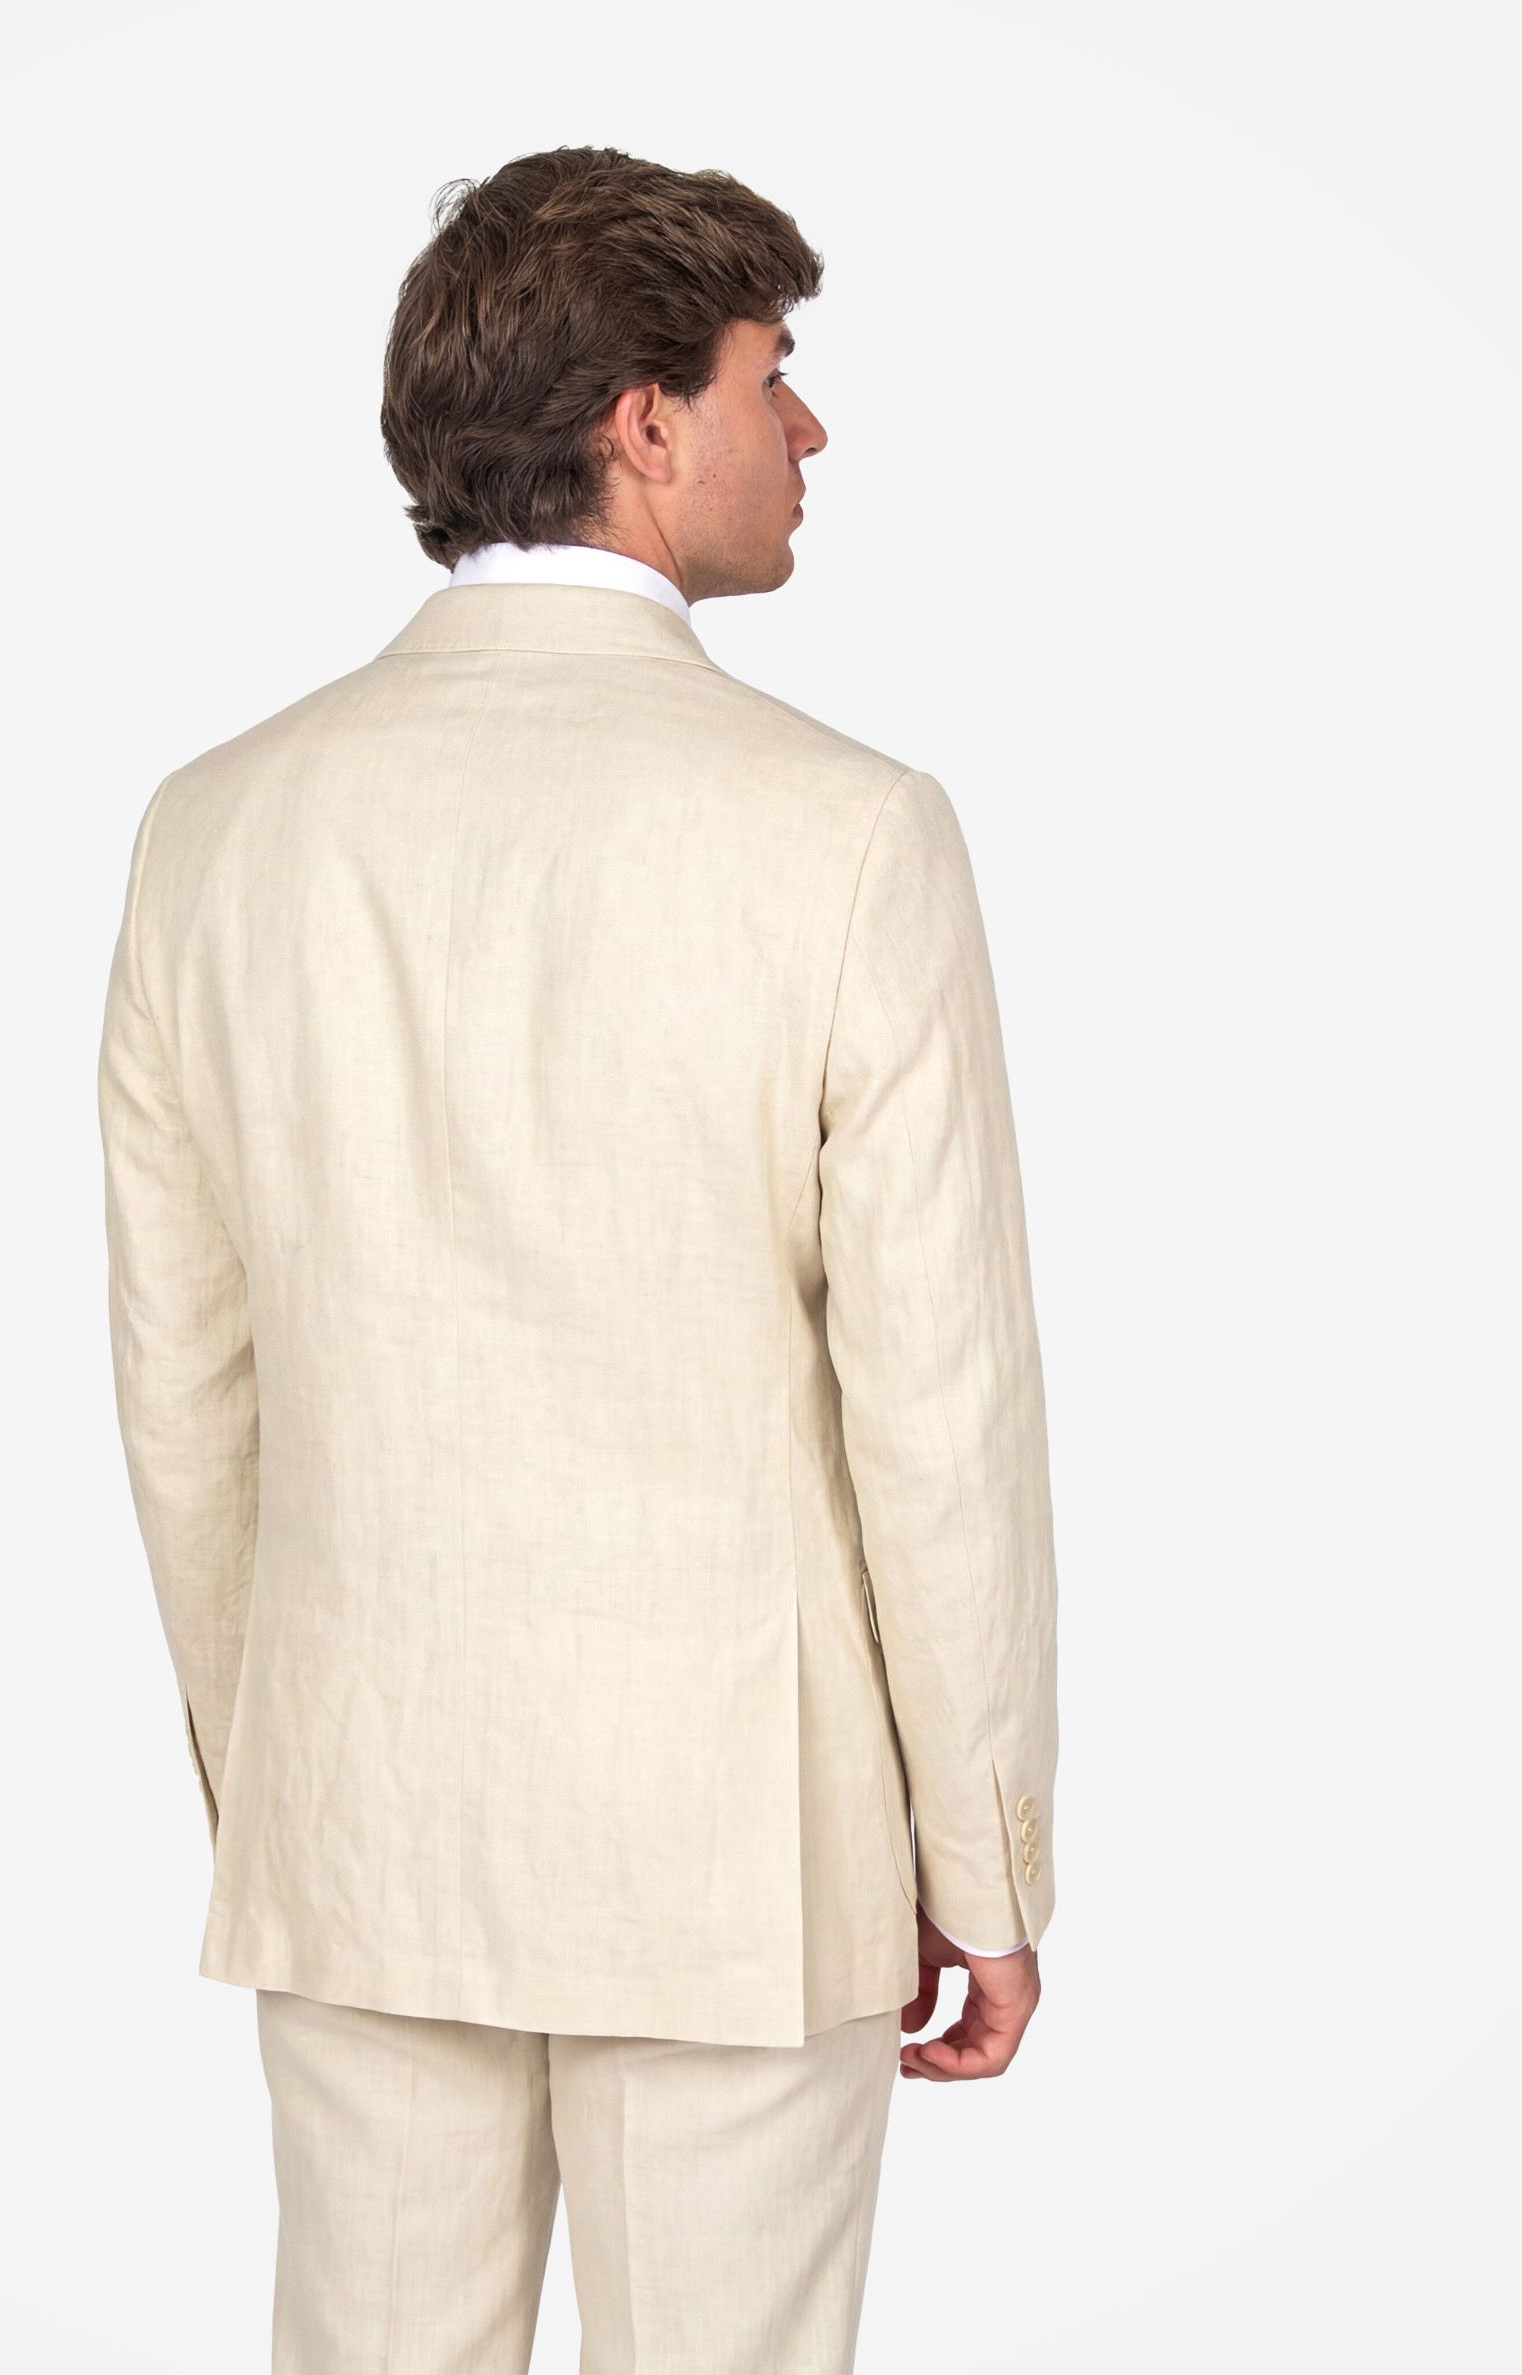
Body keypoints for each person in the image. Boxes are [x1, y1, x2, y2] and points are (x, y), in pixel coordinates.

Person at [99, 144, 1058, 2374]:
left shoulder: (215, 827)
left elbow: (185, 1387)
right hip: (740, 1847)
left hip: (357, 1816)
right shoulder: (848, 832)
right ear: (641, 421)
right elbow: (937, 1411)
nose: (807, 428)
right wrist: (981, 1857)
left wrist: (282, 1783)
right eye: (768, 375)